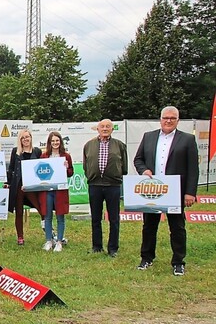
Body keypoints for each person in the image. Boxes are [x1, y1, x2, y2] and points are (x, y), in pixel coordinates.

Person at [134, 106, 198, 276]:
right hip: (153, 190)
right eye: (165, 117)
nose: (168, 120)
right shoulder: (149, 137)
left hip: (175, 191)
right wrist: (144, 170)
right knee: (149, 226)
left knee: (177, 227)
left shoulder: (187, 140)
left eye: (172, 118)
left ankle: (178, 262)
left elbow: (193, 168)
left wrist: (190, 192)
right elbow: (138, 159)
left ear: (178, 120)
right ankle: (146, 258)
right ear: (160, 119)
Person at [82, 119, 128, 257]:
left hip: (113, 186)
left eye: (108, 126)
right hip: (94, 185)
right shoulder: (88, 145)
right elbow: (86, 165)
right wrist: (91, 175)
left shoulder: (120, 145)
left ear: (112, 129)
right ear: (97, 129)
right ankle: (97, 246)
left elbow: (124, 166)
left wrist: (117, 175)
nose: (105, 129)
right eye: (102, 126)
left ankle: (113, 248)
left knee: (114, 218)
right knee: (95, 218)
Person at [6, 129, 44, 246]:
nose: (25, 139)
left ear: (31, 138)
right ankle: (20, 237)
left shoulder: (37, 151)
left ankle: (48, 230)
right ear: (20, 140)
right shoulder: (15, 152)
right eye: (23, 138)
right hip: (18, 186)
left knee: (41, 208)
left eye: (27, 137)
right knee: (19, 212)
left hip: (31, 186)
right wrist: (8, 182)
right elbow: (11, 168)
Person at [38, 131, 73, 252]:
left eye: (57, 140)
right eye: (52, 141)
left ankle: (59, 241)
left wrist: (67, 167)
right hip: (47, 190)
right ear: (49, 142)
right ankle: (48, 240)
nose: (55, 143)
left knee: (60, 216)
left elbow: (70, 173)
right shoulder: (44, 156)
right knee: (47, 216)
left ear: (60, 142)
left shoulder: (66, 156)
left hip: (60, 190)